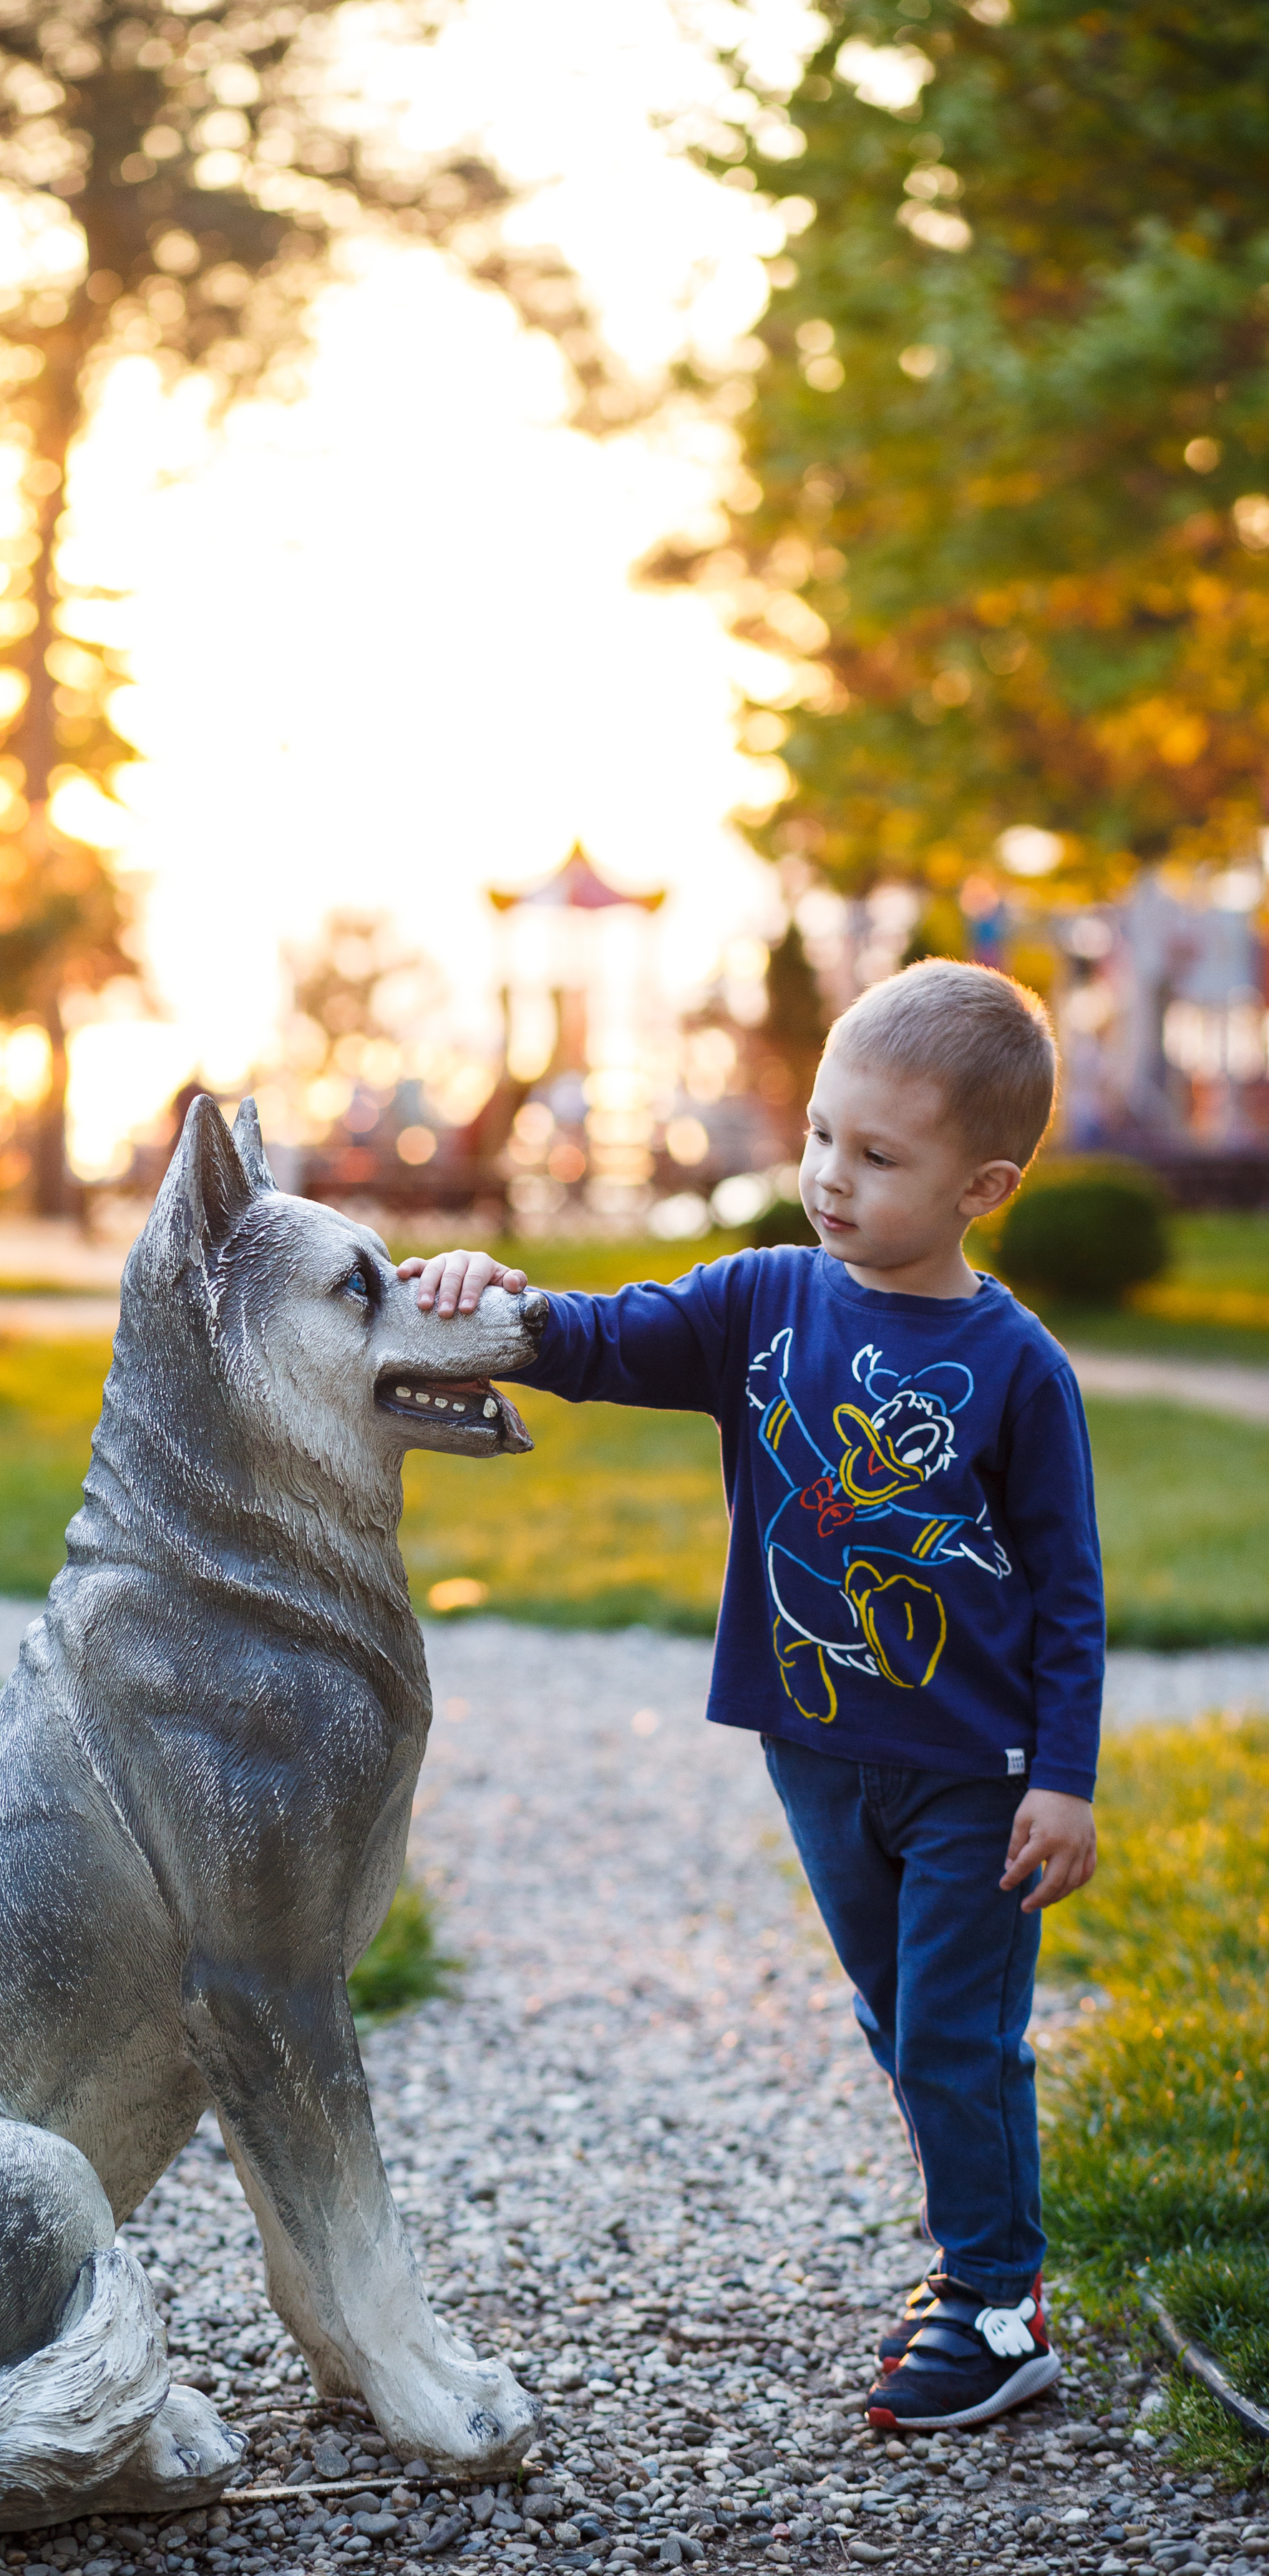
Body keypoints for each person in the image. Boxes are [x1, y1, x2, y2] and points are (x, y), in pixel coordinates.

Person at [400, 958, 1103, 2434]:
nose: (832, 1178)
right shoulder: (763, 1304)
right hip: (817, 1750)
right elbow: (604, 1339)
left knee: (952, 2033)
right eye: (824, 1136)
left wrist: (1064, 1776)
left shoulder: (1016, 1369)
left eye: (879, 1156)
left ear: (983, 1185)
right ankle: (983, 2265)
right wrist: (497, 1301)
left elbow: (1069, 1593)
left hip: (972, 1765)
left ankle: (995, 2297)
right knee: (901, 2016)